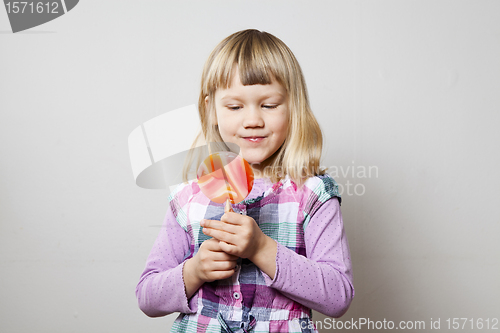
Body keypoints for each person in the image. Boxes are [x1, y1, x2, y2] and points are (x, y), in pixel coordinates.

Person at [136, 29, 354, 333]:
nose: (252, 119)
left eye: (269, 104)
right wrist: (195, 271)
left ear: (293, 106)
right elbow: (147, 297)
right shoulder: (189, 195)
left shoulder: (312, 194)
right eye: (235, 106)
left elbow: (338, 296)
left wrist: (261, 248)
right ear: (211, 108)